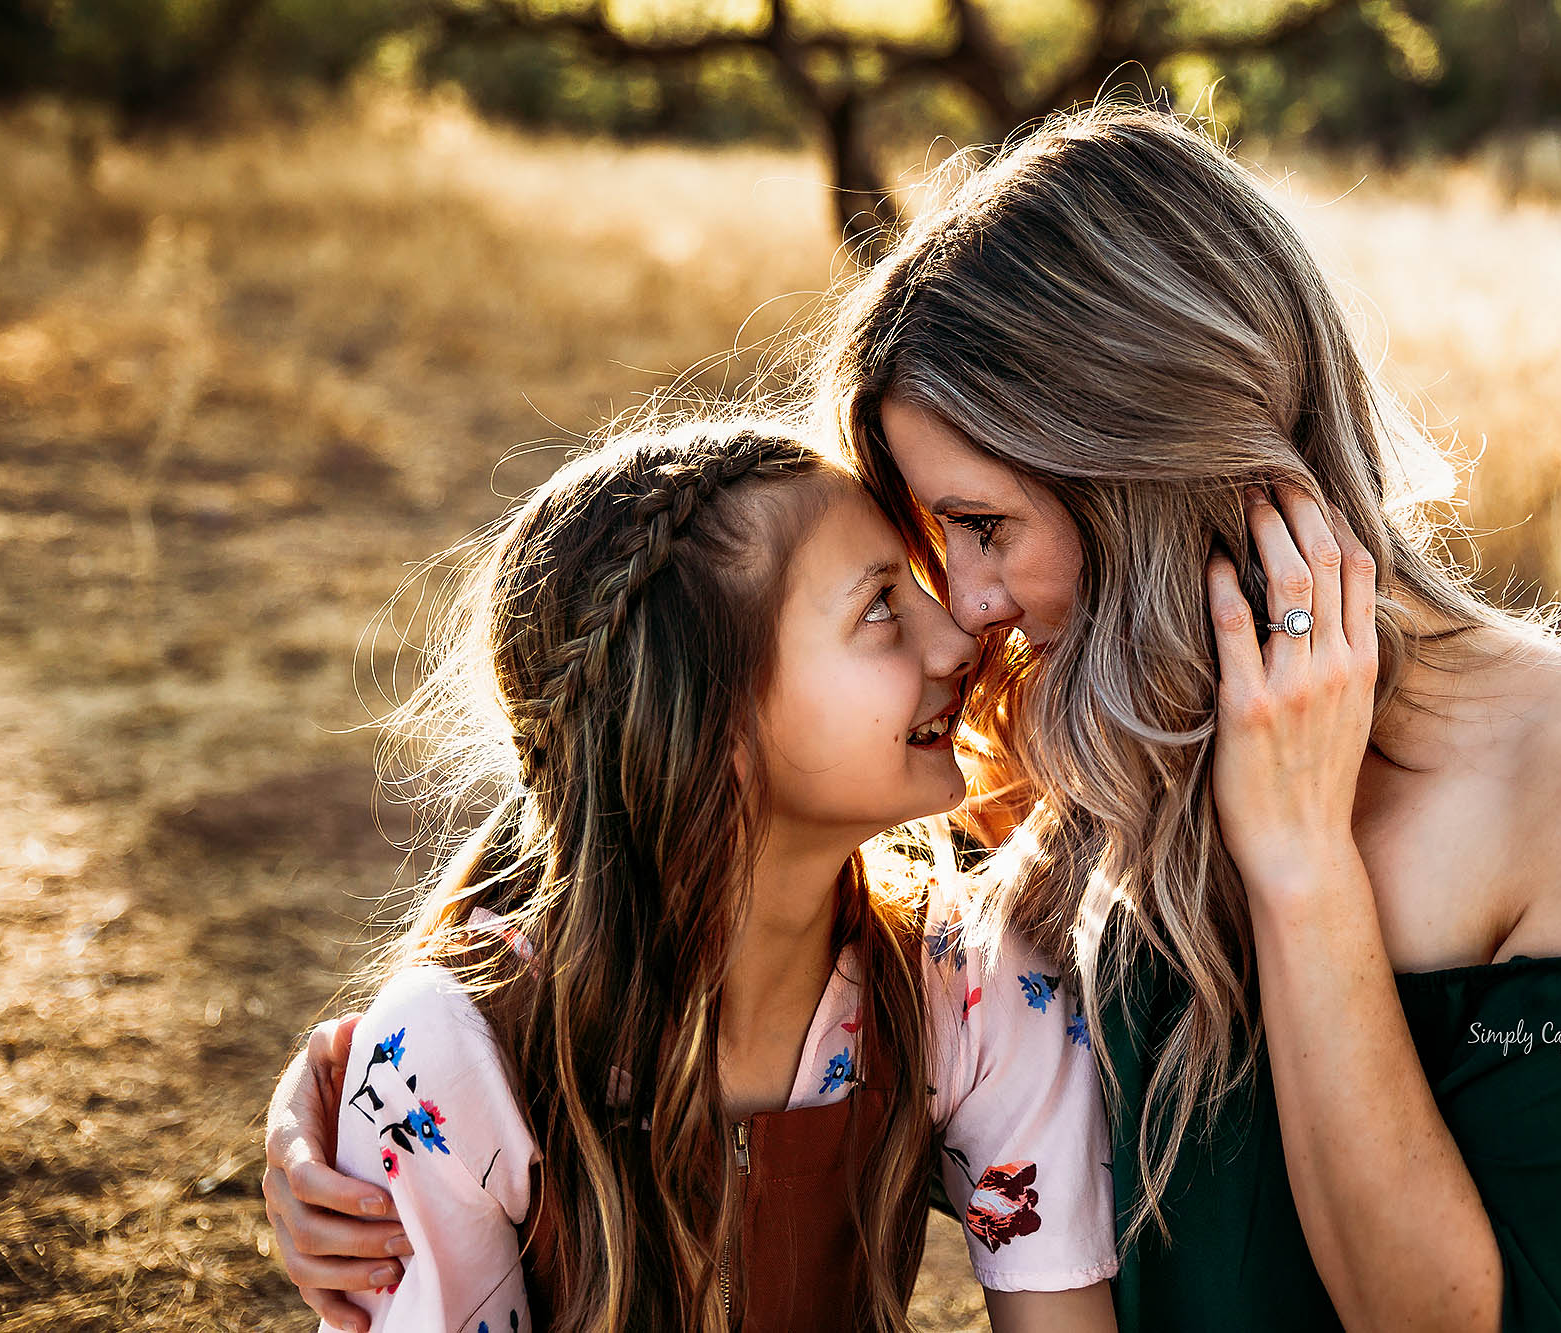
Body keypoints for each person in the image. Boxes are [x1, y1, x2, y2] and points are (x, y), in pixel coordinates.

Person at [268, 101, 1561, 1331]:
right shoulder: (1076, 734)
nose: (967, 607)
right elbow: (677, 841)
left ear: (1148, 462)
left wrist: (1301, 864)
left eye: (983, 526)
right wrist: (364, 1103)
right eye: (928, 546)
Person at [275, 417, 1118, 1333]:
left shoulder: (968, 982)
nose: (958, 637)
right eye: (880, 606)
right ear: (714, 724)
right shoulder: (458, 1056)